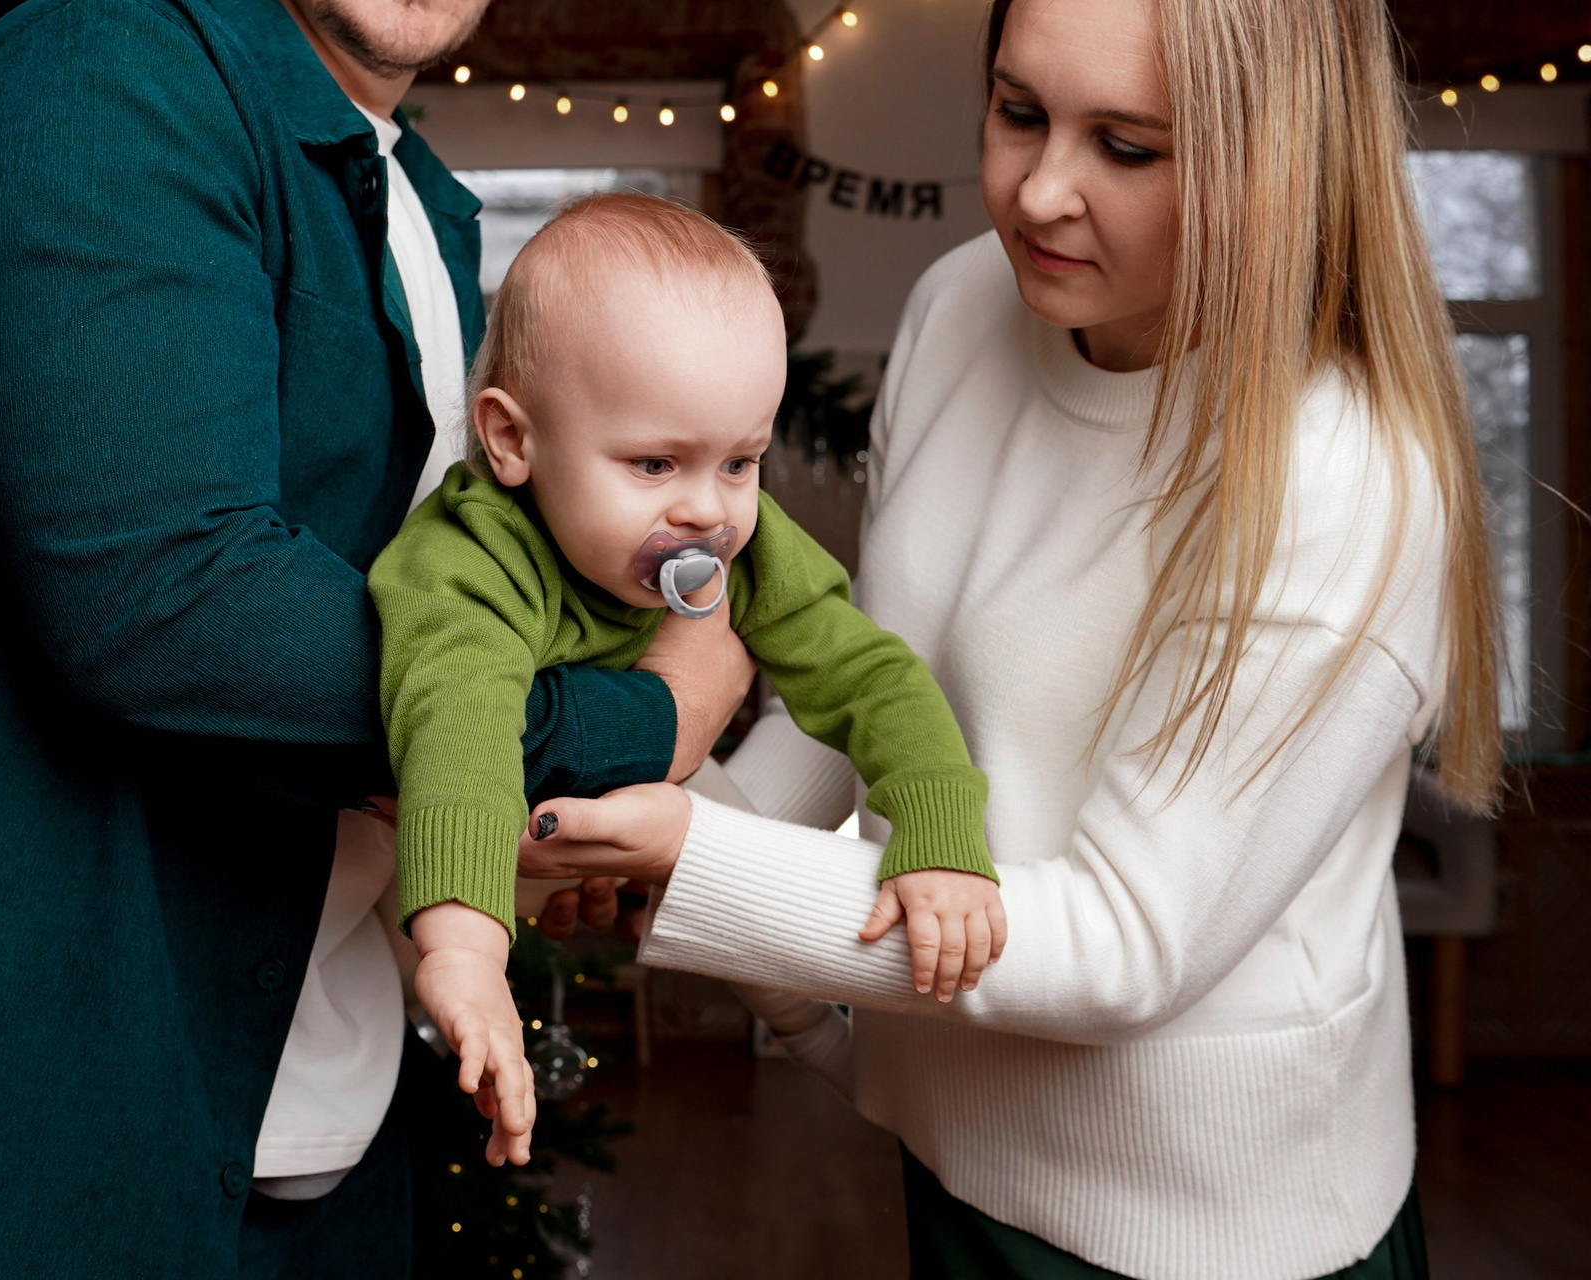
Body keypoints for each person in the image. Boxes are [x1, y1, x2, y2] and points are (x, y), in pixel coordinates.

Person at [0, 0, 752, 1275]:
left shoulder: (414, 194)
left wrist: (515, 828)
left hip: (318, 1078)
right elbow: (170, 600)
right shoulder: (102, 71)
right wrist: (644, 721)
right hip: (51, 1092)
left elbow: (447, 606)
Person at [520, 0, 1498, 1276]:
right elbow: (876, 684)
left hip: (1205, 1231)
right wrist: (660, 798)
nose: (1038, 193)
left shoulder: (1341, 473)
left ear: (1278, 158)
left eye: (1127, 147)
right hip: (950, 1150)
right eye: (1018, 111)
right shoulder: (962, 302)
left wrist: (695, 855)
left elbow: (1127, 943)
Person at [370, 193, 1003, 1163]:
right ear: (512, 440)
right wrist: (464, 949)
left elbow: (869, 673)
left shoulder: (738, 544)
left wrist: (940, 831)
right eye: (655, 463)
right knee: (434, 940)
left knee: (729, 828)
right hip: (431, 853)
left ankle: (811, 1032)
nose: (708, 511)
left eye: (741, 461)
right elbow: (459, 727)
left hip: (600, 815)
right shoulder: (471, 558)